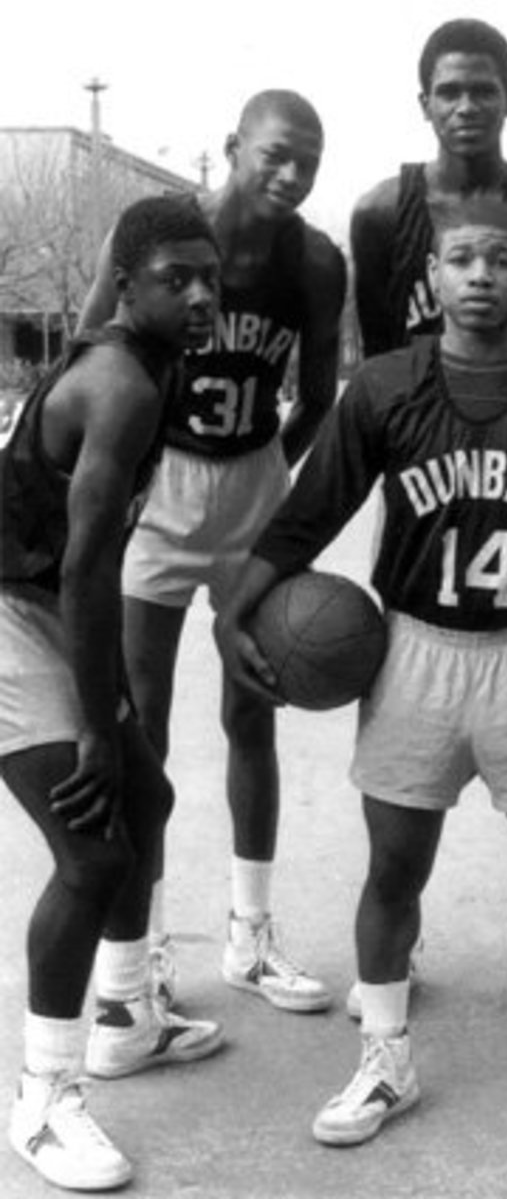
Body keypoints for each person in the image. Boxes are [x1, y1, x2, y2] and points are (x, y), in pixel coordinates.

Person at [216, 197, 507, 1157]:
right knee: (393, 871)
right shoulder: (384, 386)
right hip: (414, 654)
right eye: (462, 258)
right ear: (434, 277)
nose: (481, 275)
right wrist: (232, 612)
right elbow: (309, 514)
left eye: (502, 259)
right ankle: (385, 1058)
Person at [76, 91, 347, 1015]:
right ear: (234, 147)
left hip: (251, 480)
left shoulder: (316, 261)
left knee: (253, 711)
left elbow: (320, 395)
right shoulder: (160, 233)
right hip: (163, 484)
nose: (291, 174)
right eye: (275, 154)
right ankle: (144, 947)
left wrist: (270, 481)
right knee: (142, 724)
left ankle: (250, 934)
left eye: (308, 161)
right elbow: (91, 350)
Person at [349, 17, 507, 1023]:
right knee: (414, 735)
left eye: (482, 88)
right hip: (426, 468)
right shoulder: (382, 210)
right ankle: (393, 963)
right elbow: (379, 363)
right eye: (448, 89)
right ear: (423, 102)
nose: (465, 105)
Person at [0, 195, 227, 1192]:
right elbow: (91, 567)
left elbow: (82, 571)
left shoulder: (135, 341)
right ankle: (42, 1100)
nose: (201, 295)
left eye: (211, 277)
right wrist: (100, 722)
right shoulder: (121, 384)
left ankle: (127, 1015)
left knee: (150, 800)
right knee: (93, 853)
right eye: (177, 278)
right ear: (130, 287)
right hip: (13, 613)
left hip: (46, 599)